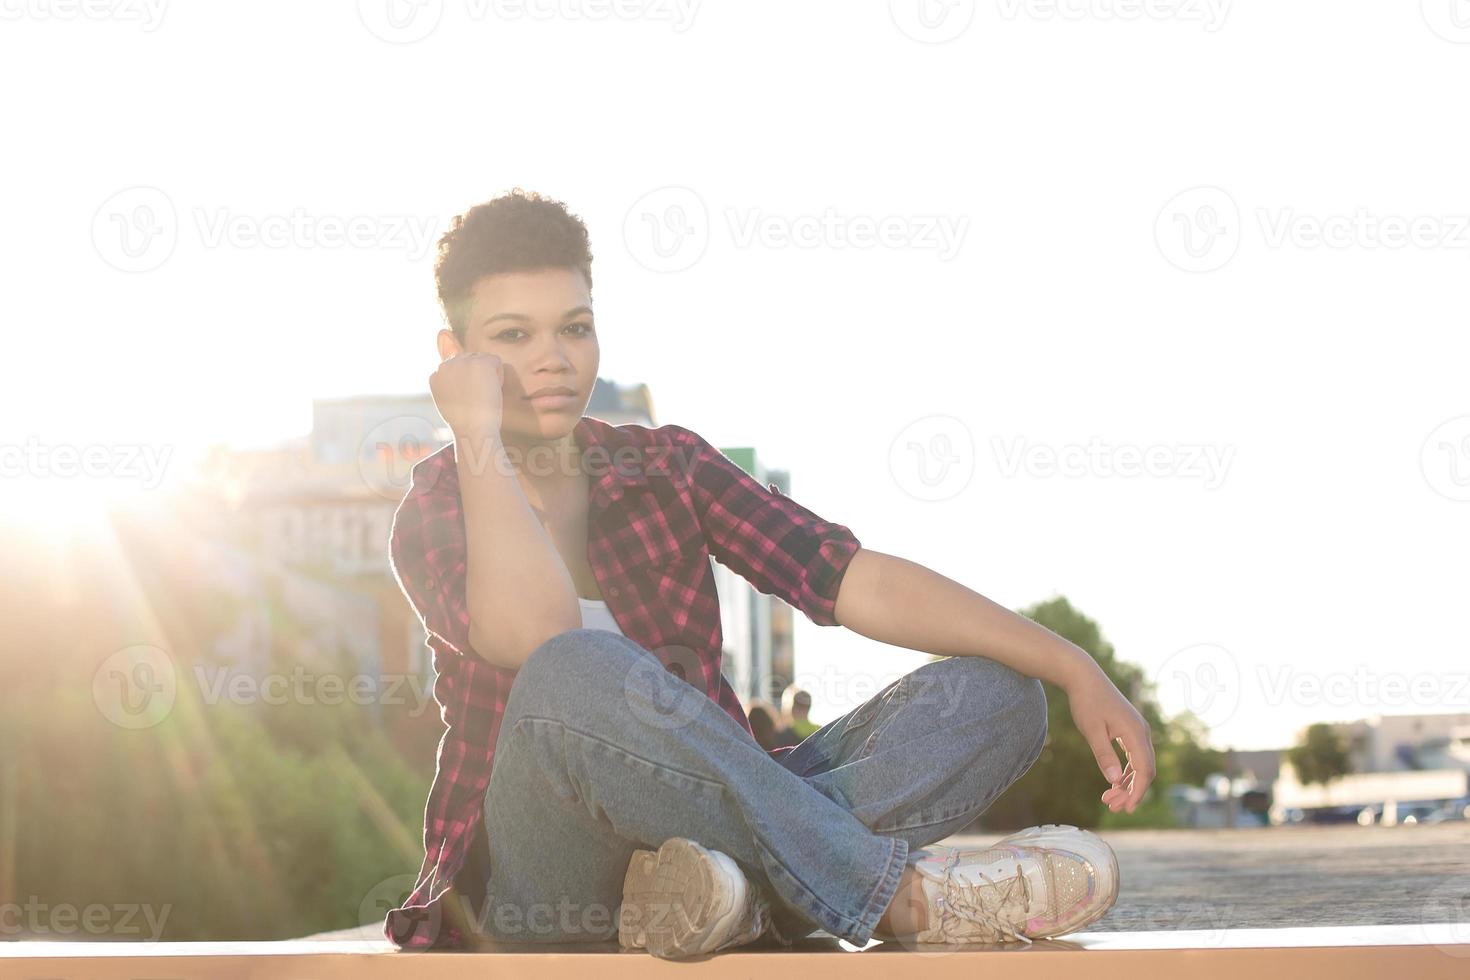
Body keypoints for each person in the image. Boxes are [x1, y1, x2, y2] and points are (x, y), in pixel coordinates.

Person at [383, 189, 1155, 960]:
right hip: (539, 887)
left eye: (575, 327)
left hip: (711, 828)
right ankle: (899, 901)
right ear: (456, 355)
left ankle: (726, 896)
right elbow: (541, 635)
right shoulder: (436, 506)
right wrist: (475, 430)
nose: (553, 357)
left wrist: (1071, 664)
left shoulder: (666, 467)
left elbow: (848, 577)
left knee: (1000, 695)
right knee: (571, 669)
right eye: (513, 335)